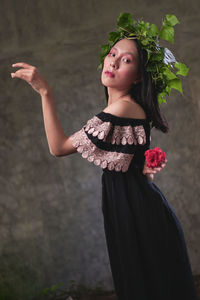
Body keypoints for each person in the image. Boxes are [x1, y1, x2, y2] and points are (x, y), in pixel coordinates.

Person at [10, 13, 198, 300]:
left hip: (139, 218)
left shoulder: (120, 110)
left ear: (137, 77)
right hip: (137, 211)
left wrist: (45, 92)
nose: (113, 61)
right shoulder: (130, 109)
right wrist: (147, 167)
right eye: (113, 53)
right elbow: (141, 168)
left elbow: (58, 147)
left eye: (126, 60)